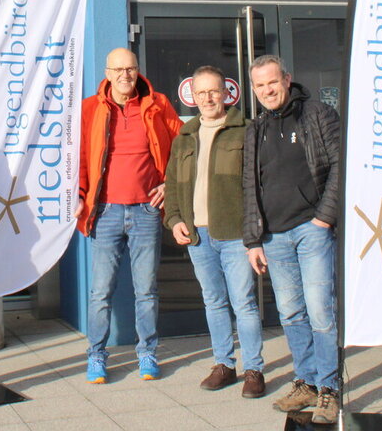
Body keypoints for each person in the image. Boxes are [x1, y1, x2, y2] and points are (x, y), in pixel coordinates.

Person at [242, 54, 341, 425]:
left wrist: (324, 218)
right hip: (273, 236)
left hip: (311, 230)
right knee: (291, 313)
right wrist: (253, 240)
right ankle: (307, 382)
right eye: (260, 85)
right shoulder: (256, 129)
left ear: (287, 79)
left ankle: (329, 388)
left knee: (320, 311)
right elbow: (249, 186)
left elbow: (340, 165)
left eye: (272, 82)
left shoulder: (317, 114)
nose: (267, 90)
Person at [78, 47, 184, 383]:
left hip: (146, 211)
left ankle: (147, 354)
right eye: (119, 69)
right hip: (106, 211)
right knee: (100, 292)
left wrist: (169, 183)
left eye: (131, 68)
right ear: (107, 74)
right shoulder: (90, 109)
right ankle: (96, 356)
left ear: (137, 70)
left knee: (146, 290)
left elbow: (183, 147)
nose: (126, 75)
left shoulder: (158, 104)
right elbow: (81, 157)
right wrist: (80, 194)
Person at [164, 65, 266, 398]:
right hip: (198, 235)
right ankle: (224, 364)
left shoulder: (245, 131)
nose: (207, 98)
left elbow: (257, 186)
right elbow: (172, 183)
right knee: (214, 302)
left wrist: (253, 233)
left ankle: (254, 370)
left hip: (234, 233)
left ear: (225, 93)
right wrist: (174, 219)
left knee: (244, 303)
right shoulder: (184, 136)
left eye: (213, 91)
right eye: (201, 92)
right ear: (192, 96)